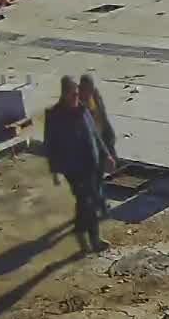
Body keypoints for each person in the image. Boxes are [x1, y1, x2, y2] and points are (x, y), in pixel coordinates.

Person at [43, 75, 112, 253]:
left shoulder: (83, 109)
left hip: (92, 164)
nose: (76, 97)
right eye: (72, 94)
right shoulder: (55, 116)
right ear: (64, 94)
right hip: (73, 168)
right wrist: (55, 171)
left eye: (77, 93)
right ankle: (94, 240)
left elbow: (95, 135)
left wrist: (106, 154)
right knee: (87, 202)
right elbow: (50, 145)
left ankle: (80, 231)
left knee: (86, 203)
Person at [78, 73, 117, 167]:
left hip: (101, 129)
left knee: (110, 147)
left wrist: (108, 128)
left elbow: (102, 111)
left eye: (91, 88)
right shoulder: (77, 101)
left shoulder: (94, 94)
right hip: (89, 135)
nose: (89, 92)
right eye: (87, 89)